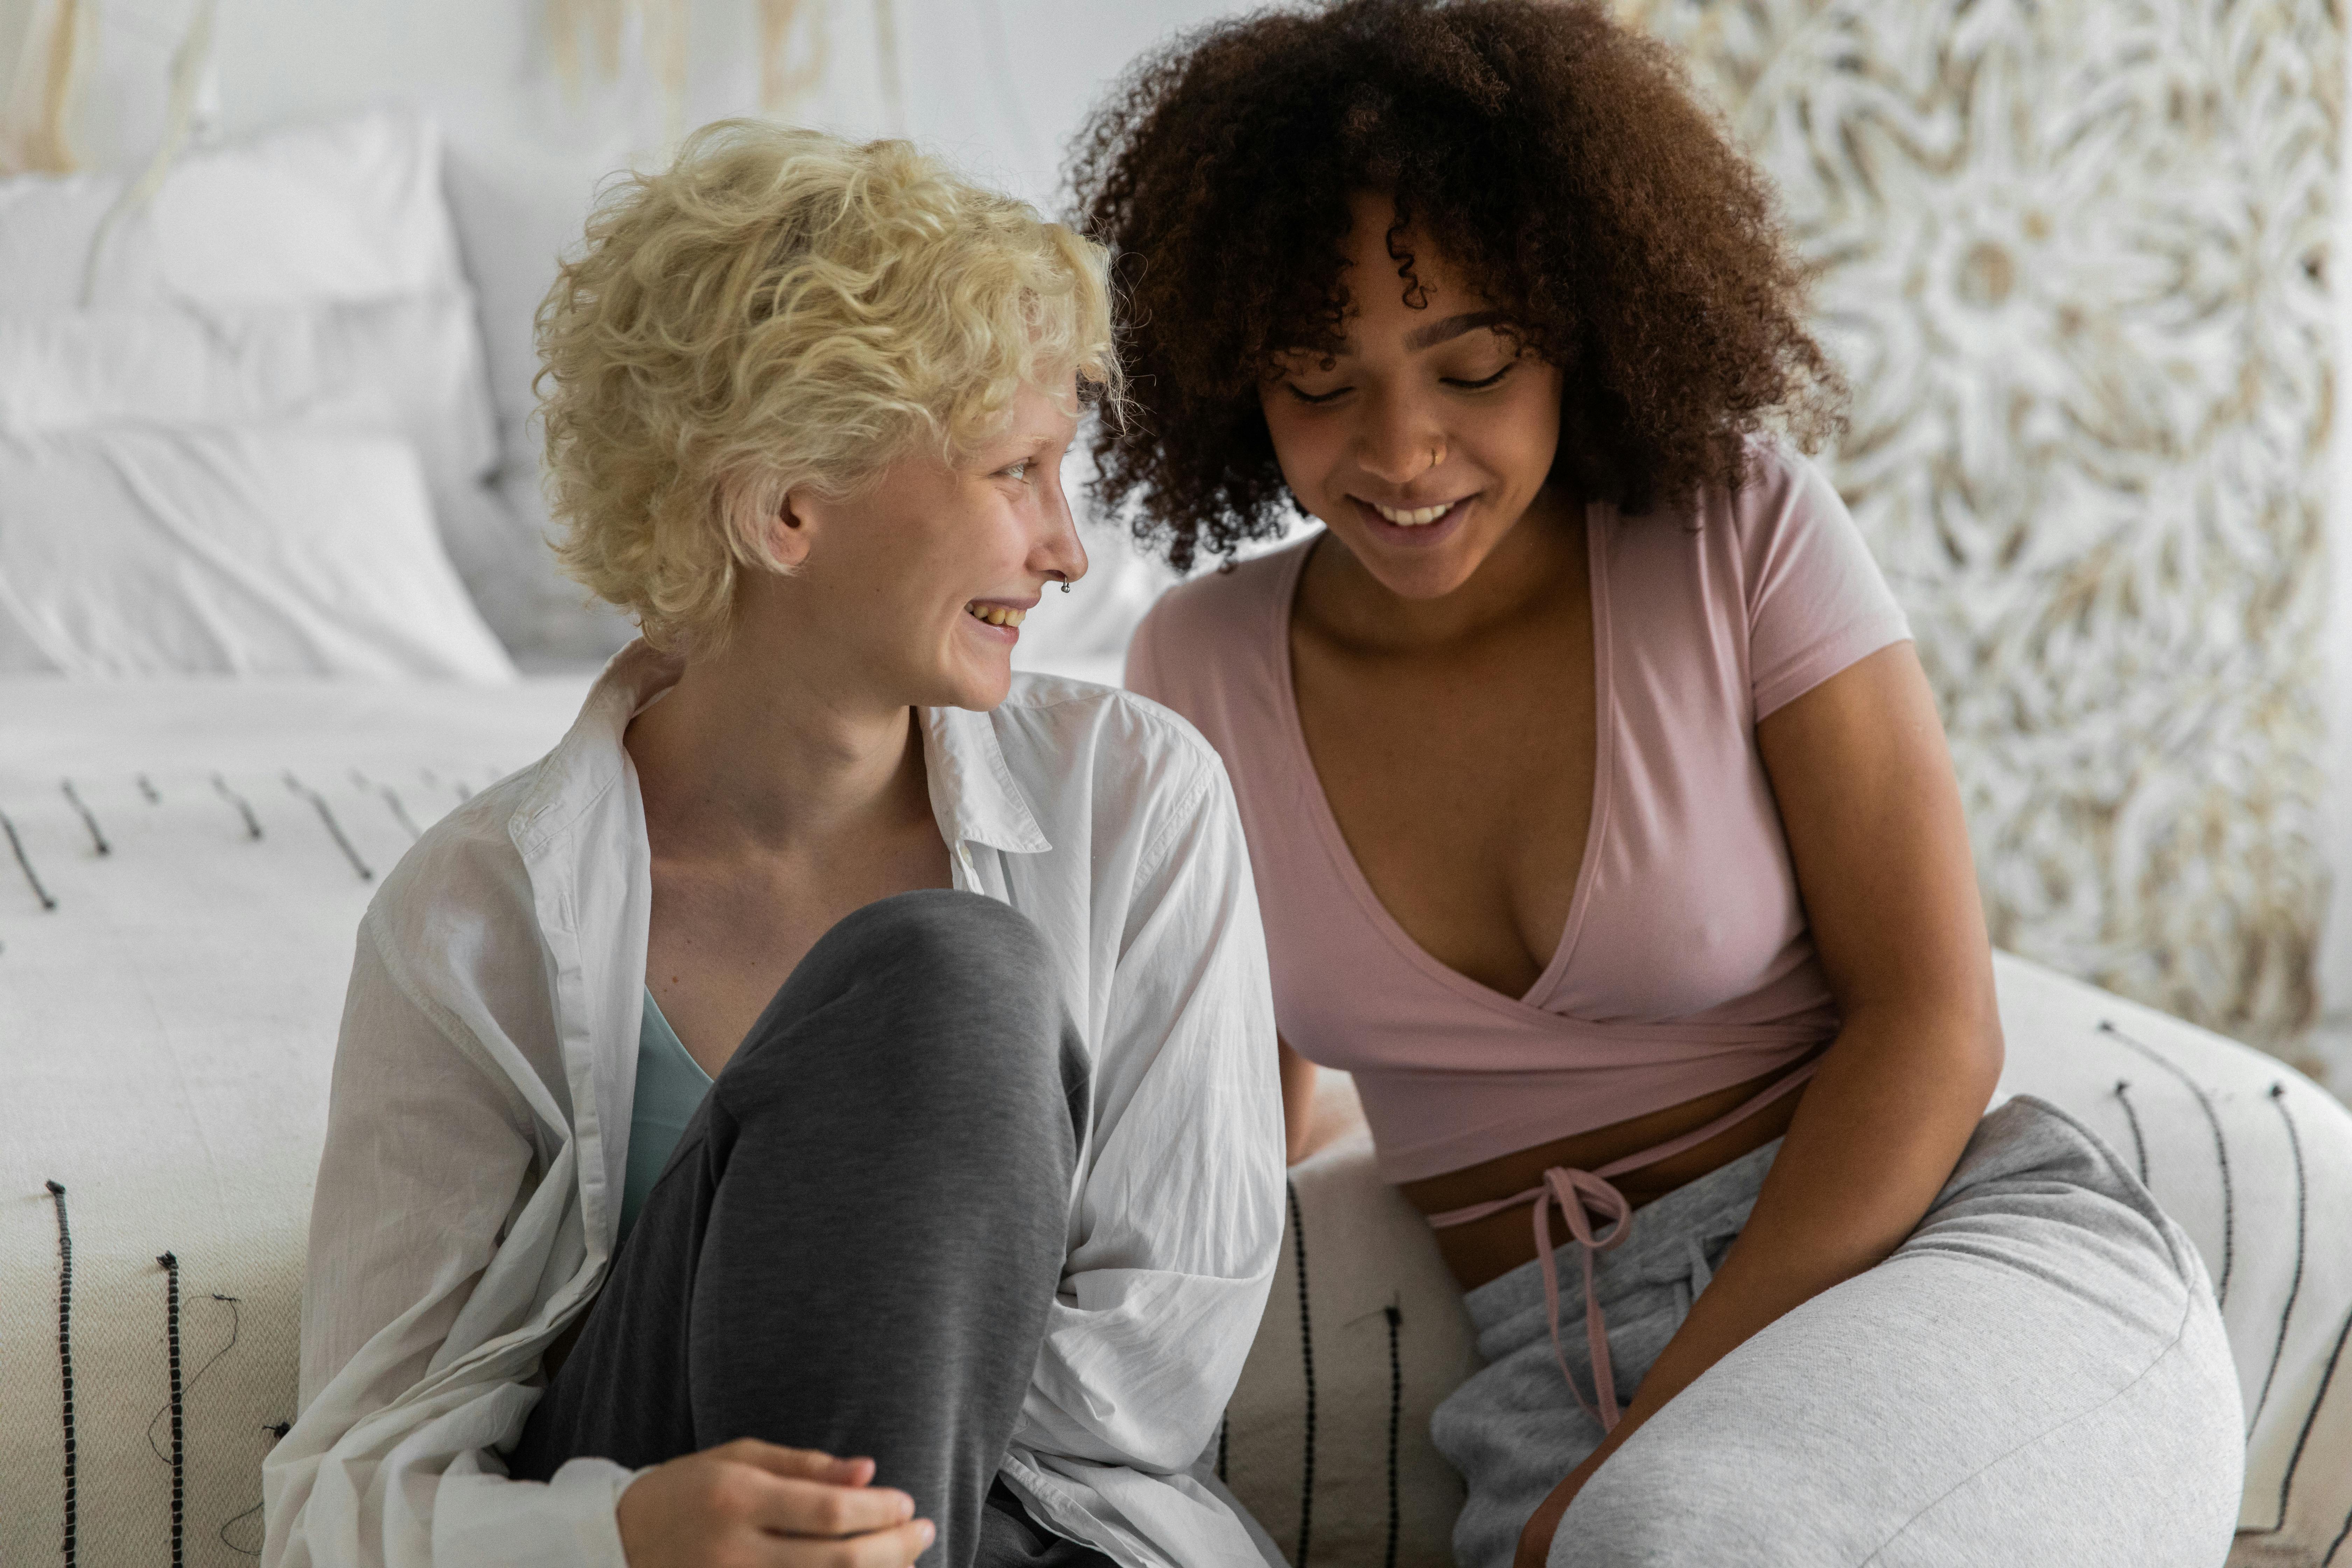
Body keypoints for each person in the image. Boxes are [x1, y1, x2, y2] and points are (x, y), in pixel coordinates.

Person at [1078, 2, 2245, 1563]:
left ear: (1579, 322)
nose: (1404, 452)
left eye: (1473, 361)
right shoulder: (1199, 666)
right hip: (1552, 1384)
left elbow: (1933, 1020)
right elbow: (1232, 1142)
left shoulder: (1732, 532)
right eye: (1318, 380)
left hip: (1931, 1266)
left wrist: (1644, 1452)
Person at [264, 122, 1286, 1568]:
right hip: (652, 1530)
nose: (1068, 549)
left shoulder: (1141, 801)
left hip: (1028, 1533)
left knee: (946, 979)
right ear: (790, 505)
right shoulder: (472, 914)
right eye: (1017, 470)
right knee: (942, 976)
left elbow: (1155, 1372)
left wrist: (840, 1474)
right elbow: (341, 1494)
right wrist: (627, 1531)